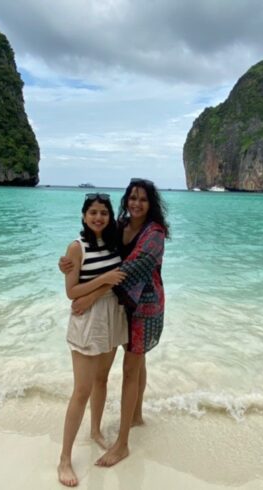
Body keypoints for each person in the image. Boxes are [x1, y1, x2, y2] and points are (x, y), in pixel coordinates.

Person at [62, 178, 170, 467]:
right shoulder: (120, 225)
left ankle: (122, 444)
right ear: (125, 200)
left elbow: (128, 271)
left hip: (144, 306)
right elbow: (96, 255)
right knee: (137, 364)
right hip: (119, 306)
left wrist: (89, 296)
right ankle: (136, 416)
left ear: (151, 203)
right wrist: (67, 265)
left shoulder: (154, 234)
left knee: (132, 367)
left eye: (143, 199)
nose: (137, 203)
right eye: (132, 198)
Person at [57, 193, 129, 487]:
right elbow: (71, 293)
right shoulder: (76, 247)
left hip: (112, 315)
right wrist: (104, 280)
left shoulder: (114, 243)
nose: (99, 217)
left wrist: (100, 289)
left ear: (111, 217)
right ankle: (64, 459)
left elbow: (118, 279)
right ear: (84, 216)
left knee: (102, 380)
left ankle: (96, 430)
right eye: (93, 212)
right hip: (88, 321)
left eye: (104, 213)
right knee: (81, 390)